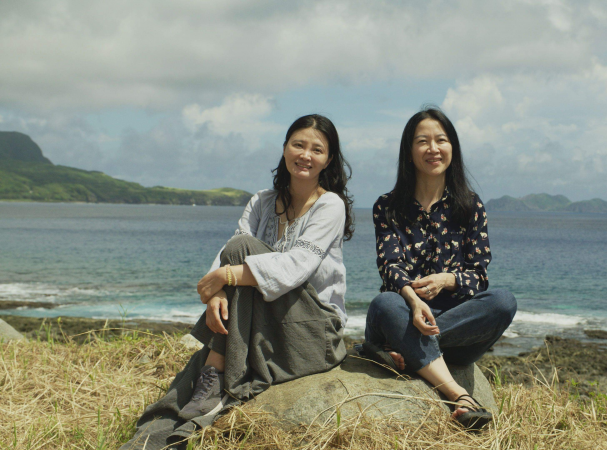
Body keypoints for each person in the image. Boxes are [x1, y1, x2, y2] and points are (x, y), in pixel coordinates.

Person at [122, 114, 354, 449]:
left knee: (243, 249)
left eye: (317, 150)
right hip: (267, 325)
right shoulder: (262, 201)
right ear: (285, 148)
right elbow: (229, 252)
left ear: (328, 159)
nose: (305, 155)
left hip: (316, 333)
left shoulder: (330, 205)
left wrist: (225, 276)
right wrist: (218, 292)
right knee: (190, 380)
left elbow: (295, 266)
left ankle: (217, 373)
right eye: (298, 145)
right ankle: (158, 437)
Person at [364, 107, 517, 430]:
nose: (433, 148)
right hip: (404, 309)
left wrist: (447, 280)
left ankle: (400, 346)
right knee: (386, 303)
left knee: (503, 301)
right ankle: (459, 394)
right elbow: (390, 266)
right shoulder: (387, 206)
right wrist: (414, 301)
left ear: (453, 148)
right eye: (422, 141)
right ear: (409, 152)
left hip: (453, 326)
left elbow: (479, 276)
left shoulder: (470, 205)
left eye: (441, 140)